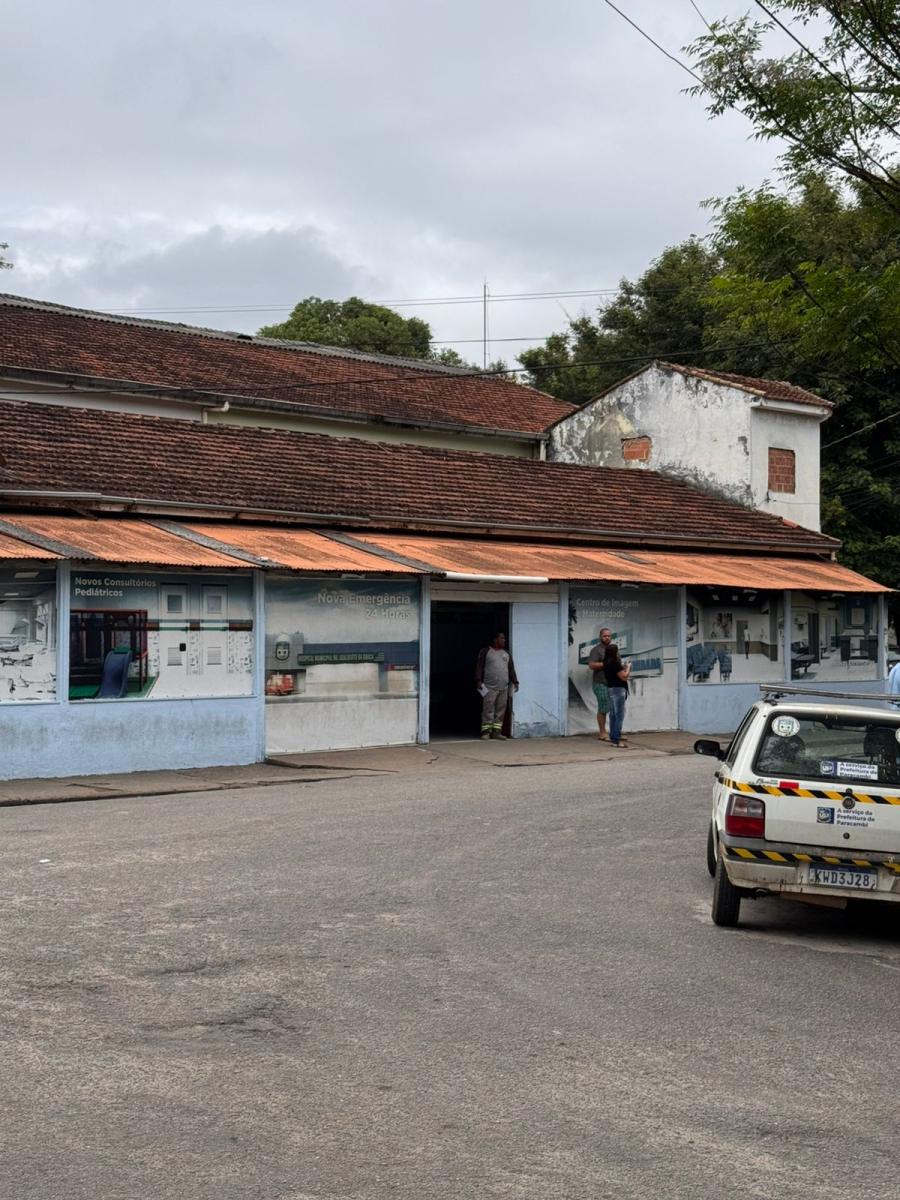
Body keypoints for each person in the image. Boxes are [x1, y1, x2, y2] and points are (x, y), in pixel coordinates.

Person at [475, 631, 519, 740]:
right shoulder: (486, 652)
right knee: (488, 710)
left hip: (503, 687)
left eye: (504, 638)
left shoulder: (506, 653)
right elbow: (479, 667)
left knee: (500, 711)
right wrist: (478, 681)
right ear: (495, 640)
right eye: (502, 638)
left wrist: (515, 681)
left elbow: (511, 669)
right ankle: (486, 732)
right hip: (489, 687)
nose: (504, 640)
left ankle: (497, 732)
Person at [603, 643, 632, 748]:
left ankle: (613, 737)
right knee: (619, 715)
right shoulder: (615, 663)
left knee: (613, 715)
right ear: (615, 652)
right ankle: (616, 740)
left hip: (611, 689)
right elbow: (624, 677)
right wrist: (628, 667)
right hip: (618, 690)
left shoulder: (606, 663)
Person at [587, 627, 613, 740]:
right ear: (600, 637)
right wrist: (606, 663)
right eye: (605, 636)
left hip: (613, 683)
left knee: (615, 708)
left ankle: (615, 732)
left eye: (609, 636)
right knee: (603, 707)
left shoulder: (614, 650)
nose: (607, 638)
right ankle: (602, 733)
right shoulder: (596, 650)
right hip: (600, 683)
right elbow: (591, 665)